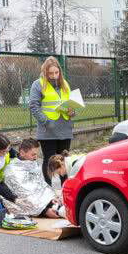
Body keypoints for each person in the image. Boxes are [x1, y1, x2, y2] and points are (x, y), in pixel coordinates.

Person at [29, 56, 75, 184]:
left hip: (65, 128)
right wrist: (47, 122)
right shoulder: (38, 84)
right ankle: (48, 189)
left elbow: (71, 104)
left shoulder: (65, 84)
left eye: (56, 72)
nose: (54, 76)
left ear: (60, 71)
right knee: (49, 160)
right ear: (45, 72)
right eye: (50, 73)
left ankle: (65, 187)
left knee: (64, 159)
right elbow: (33, 106)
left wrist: (72, 112)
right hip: (47, 129)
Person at [0, 138, 64, 218]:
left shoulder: (32, 164)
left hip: (40, 203)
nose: (36, 157)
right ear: (22, 153)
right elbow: (24, 195)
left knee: (63, 204)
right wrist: (44, 210)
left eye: (37, 154)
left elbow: (41, 186)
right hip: (27, 204)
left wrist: (51, 198)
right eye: (33, 154)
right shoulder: (13, 171)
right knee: (60, 211)